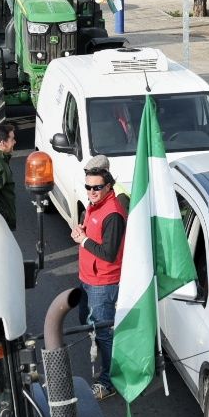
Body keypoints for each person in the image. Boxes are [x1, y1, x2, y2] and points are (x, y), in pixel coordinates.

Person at [71, 155, 127, 400]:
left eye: (96, 187)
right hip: (88, 279)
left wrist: (84, 240)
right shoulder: (96, 205)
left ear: (108, 186)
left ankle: (109, 382)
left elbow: (108, 252)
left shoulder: (113, 213)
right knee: (86, 318)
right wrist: (84, 232)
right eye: (88, 187)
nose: (91, 191)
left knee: (104, 333)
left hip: (102, 283)